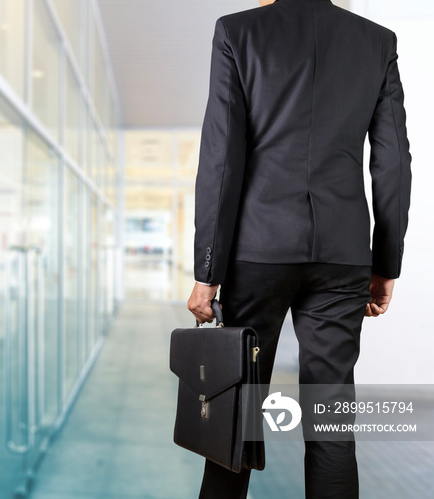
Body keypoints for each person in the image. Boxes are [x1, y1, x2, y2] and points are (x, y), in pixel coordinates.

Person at [186, 0, 411, 498]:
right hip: (343, 254)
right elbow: (393, 162)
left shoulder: (237, 32)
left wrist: (208, 269)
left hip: (257, 251)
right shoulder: (376, 40)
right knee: (331, 426)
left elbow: (222, 157)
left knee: (232, 420)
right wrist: (385, 263)